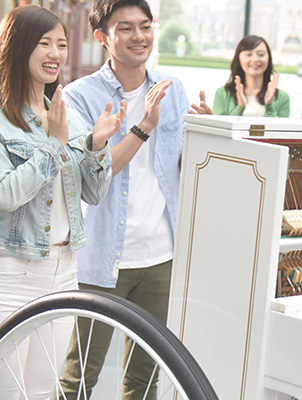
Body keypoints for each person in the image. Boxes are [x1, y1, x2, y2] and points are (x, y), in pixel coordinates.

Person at [56, 0, 190, 398]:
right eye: (126, 28)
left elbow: (181, 165)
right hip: (102, 257)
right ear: (102, 37)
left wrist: (208, 133)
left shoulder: (173, 89)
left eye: (145, 26)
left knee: (144, 378)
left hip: (161, 255)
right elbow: (94, 175)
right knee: (79, 375)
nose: (139, 37)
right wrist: (143, 126)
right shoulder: (79, 96)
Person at [0, 5, 124, 398]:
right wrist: (54, 144)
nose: (56, 53)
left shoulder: (63, 112)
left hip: (63, 270)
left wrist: (97, 145)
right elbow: (6, 195)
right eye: (44, 43)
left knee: (41, 391)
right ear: (18, 48)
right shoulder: (5, 117)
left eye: (62, 44)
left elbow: (94, 192)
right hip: (12, 273)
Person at [189, 35, 289, 117]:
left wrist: (269, 106)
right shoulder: (223, 94)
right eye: (248, 54)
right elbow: (221, 134)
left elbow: (281, 136)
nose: (255, 59)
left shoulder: (282, 97)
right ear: (239, 59)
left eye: (261, 54)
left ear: (269, 59)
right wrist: (240, 107)